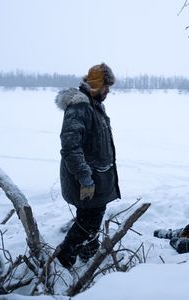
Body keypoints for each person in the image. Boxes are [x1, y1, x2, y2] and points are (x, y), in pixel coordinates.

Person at [54, 63, 121, 269]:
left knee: (91, 219)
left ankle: (89, 253)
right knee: (88, 223)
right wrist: (85, 177)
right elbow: (70, 147)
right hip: (87, 180)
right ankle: (63, 261)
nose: (108, 91)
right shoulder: (80, 107)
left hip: (97, 178)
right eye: (105, 86)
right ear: (95, 84)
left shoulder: (94, 104)